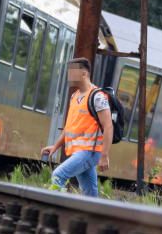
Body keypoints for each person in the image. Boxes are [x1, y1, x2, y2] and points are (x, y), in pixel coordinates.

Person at [41, 57, 113, 197]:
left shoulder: (97, 97)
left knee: (58, 175)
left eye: (72, 72)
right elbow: (69, 128)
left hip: (89, 152)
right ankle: (92, 210)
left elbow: (108, 126)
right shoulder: (74, 96)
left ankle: (56, 207)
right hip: (79, 152)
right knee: (89, 193)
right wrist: (55, 146)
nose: (69, 76)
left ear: (84, 74)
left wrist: (104, 155)